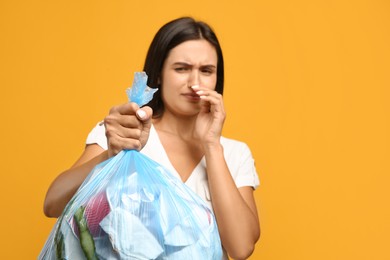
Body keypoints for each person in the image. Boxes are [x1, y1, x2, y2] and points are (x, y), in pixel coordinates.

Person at [43, 17, 260, 260]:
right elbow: (53, 204)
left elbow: (241, 249)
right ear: (158, 75)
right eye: (182, 69)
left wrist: (212, 146)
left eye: (206, 71)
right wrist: (110, 153)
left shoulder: (233, 153)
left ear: (216, 80)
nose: (194, 83)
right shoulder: (125, 131)